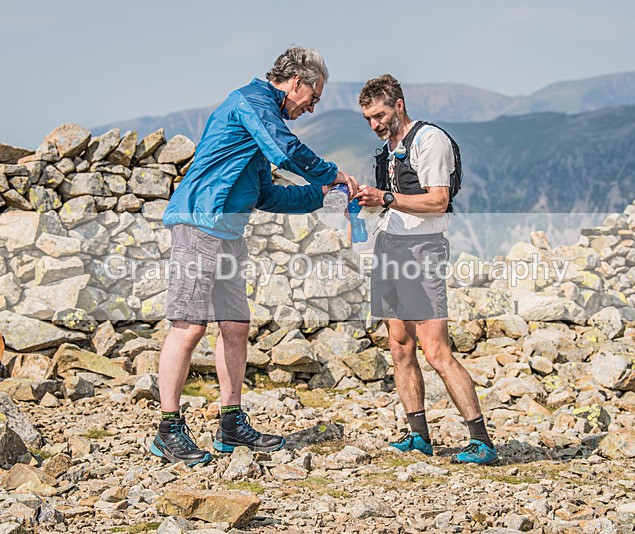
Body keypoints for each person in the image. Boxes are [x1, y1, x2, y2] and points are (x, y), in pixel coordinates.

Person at [152, 46, 358, 466]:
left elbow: (265, 193)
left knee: (235, 326)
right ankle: (167, 429)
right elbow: (285, 150)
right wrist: (332, 173)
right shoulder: (252, 103)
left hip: (229, 231)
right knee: (188, 328)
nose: (312, 107)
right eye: (313, 97)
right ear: (296, 82)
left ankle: (230, 424)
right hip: (198, 221)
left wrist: (321, 195)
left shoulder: (262, 121)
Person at [355, 74, 497, 464]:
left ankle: (481, 439)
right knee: (399, 345)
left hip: (422, 250)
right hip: (390, 246)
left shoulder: (429, 140)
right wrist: (368, 201)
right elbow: (396, 200)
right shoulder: (388, 148)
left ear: (399, 105)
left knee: (435, 350)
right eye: (367, 118)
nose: (375, 125)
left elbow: (437, 201)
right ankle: (419, 436)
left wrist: (384, 196)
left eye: (380, 115)